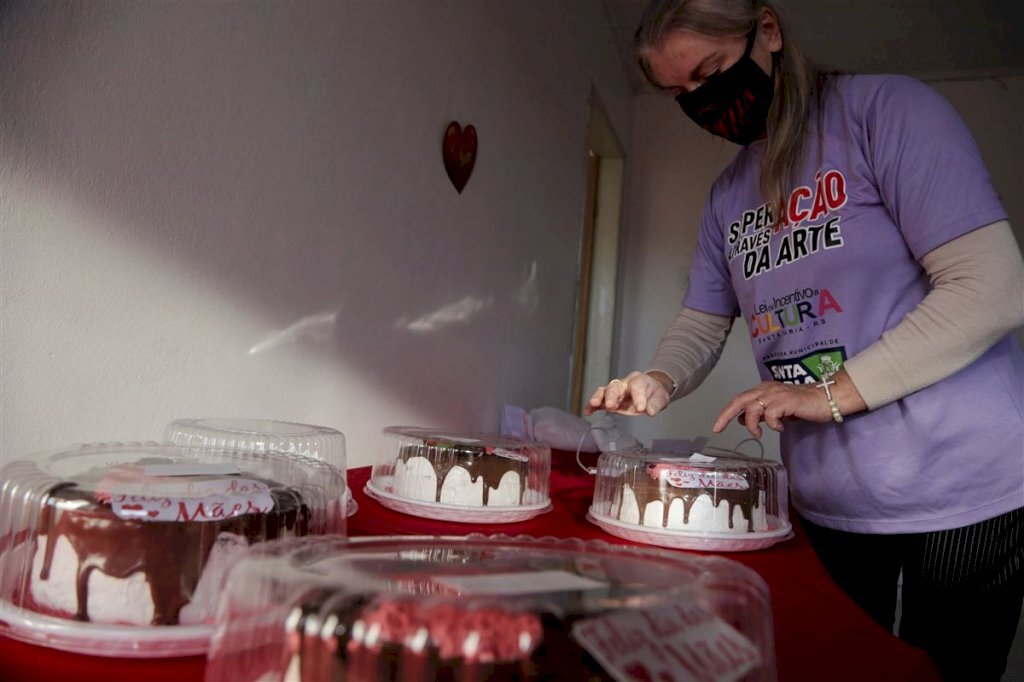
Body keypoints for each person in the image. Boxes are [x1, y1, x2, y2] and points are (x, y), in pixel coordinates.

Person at [585, 1, 1024, 679]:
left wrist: (835, 393)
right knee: (834, 663)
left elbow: (991, 287)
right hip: (828, 498)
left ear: (767, 31)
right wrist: (659, 379)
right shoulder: (728, 195)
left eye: (711, 72)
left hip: (964, 481)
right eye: (679, 93)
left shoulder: (884, 112)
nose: (703, 103)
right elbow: (703, 320)